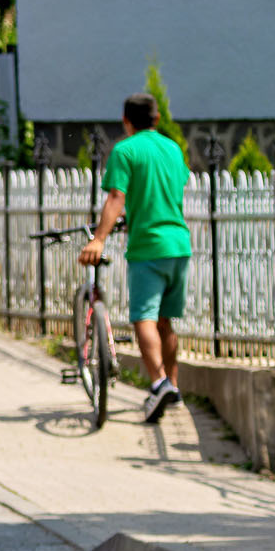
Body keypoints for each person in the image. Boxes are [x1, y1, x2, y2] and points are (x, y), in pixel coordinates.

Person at [83, 92, 193, 422]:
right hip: (179, 244)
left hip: (149, 247)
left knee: (144, 318)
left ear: (126, 121)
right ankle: (173, 388)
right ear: (157, 119)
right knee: (165, 321)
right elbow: (165, 192)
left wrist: (99, 239)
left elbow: (117, 196)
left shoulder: (126, 150)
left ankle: (158, 383)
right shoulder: (173, 149)